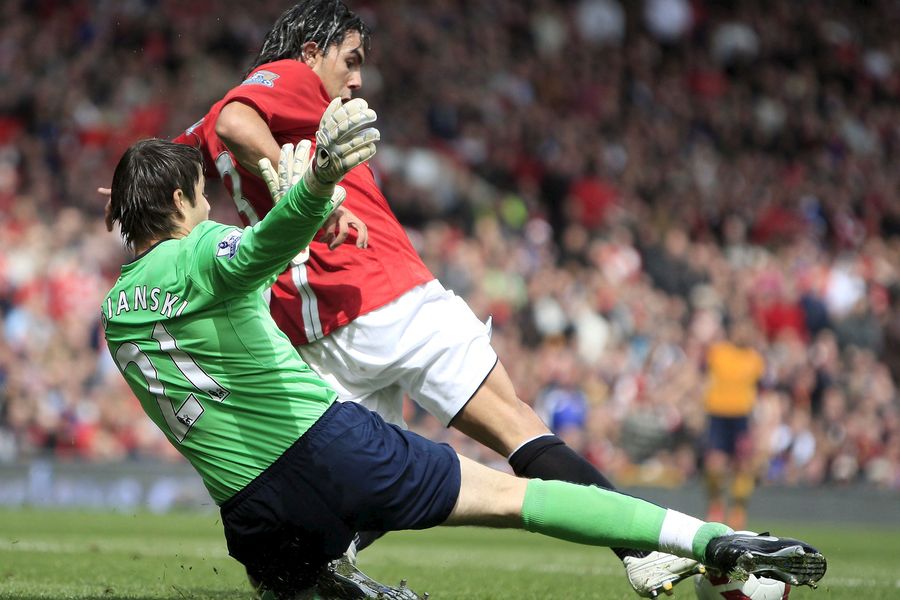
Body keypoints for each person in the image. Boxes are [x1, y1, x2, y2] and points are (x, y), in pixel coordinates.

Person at [101, 120, 826, 599]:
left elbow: (237, 303)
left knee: (289, 583)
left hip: (251, 511)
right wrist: (314, 189)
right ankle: (714, 540)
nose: (209, 207)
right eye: (202, 195)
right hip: (330, 449)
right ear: (179, 199)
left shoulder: (114, 314)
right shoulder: (200, 249)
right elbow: (251, 251)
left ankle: (331, 581)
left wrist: (295, 223)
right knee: (517, 499)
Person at [159, 2, 695, 595]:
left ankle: (306, 579)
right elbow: (239, 120)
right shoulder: (291, 78)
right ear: (311, 51)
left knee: (358, 492)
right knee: (517, 429)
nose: (357, 79)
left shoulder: (210, 118)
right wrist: (303, 191)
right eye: (350, 60)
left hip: (314, 330)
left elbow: (176, 161)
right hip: (384, 293)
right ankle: (644, 550)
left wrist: (128, 195)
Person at [702, 318, 766, 530]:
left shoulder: (755, 359)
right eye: (740, 329)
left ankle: (738, 509)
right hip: (718, 414)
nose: (743, 334)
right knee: (715, 464)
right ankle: (716, 503)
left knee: (743, 465)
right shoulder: (717, 353)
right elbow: (703, 378)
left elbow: (762, 391)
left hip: (742, 416)